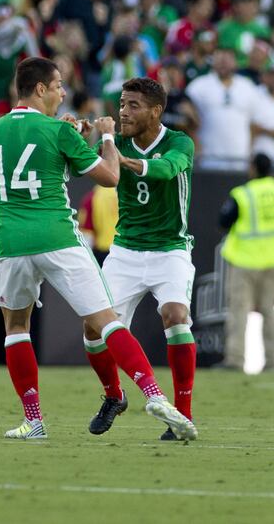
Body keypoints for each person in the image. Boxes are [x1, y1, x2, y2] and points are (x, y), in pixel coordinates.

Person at [0, 57, 197, 441]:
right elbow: (109, 175)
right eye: (60, 85)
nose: (64, 92)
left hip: (11, 241)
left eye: (132, 105)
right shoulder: (61, 132)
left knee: (16, 329)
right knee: (104, 323)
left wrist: (77, 135)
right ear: (42, 89)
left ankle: (33, 421)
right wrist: (104, 139)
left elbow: (44, 160)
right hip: (62, 238)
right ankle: (148, 393)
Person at [84, 77, 197, 441]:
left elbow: (164, 170)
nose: (123, 111)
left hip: (170, 250)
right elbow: (93, 168)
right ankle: (114, 396)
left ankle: (181, 412)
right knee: (92, 327)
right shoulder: (114, 142)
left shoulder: (180, 142)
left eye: (133, 105)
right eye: (121, 103)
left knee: (176, 316)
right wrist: (77, 132)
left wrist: (121, 158)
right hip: (126, 250)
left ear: (155, 111)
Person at [218, 153, 274, 371]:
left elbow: (223, 221)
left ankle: (235, 359)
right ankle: (272, 360)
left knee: (239, 311)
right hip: (271, 261)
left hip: (244, 261)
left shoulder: (243, 194)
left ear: (253, 169)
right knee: (270, 313)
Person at [186, 47, 261, 172]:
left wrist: (250, 152)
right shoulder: (197, 86)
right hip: (208, 159)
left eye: (228, 59)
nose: (223, 63)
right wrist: (197, 151)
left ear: (236, 62)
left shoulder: (248, 87)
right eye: (220, 58)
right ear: (213, 61)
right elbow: (188, 123)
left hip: (240, 159)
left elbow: (253, 125)